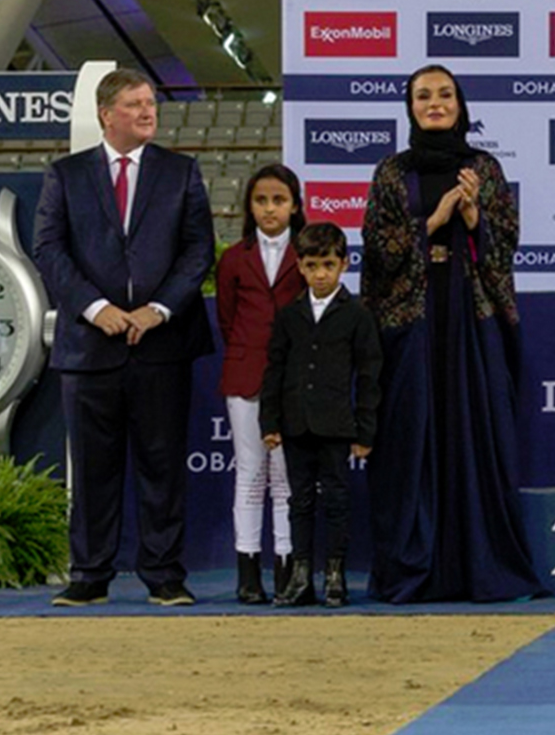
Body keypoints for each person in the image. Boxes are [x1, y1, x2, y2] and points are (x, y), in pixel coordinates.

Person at [361, 64, 546, 603]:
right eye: (424, 96)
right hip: (411, 325)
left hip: (471, 318)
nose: (435, 103)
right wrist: (433, 221)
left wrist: (472, 219)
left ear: (460, 104)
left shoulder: (482, 168)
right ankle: (415, 568)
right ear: (410, 106)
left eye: (445, 94)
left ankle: (481, 566)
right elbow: (377, 248)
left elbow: (506, 243)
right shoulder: (392, 172)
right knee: (411, 439)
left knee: (475, 434)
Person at [34, 68, 216, 607]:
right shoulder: (64, 175)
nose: (147, 111)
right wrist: (97, 308)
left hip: (163, 346)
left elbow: (197, 250)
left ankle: (164, 576)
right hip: (89, 349)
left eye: (150, 102)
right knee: (92, 471)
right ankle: (89, 577)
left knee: (162, 465)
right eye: (135, 104)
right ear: (106, 114)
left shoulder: (181, 172)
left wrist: (157, 310)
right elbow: (50, 250)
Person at [261, 222, 381, 608]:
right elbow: (274, 369)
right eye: (312, 265)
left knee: (337, 499)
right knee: (299, 501)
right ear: (300, 266)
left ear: (344, 264)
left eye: (328, 264)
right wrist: (270, 421)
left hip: (336, 424)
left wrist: (365, 431)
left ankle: (335, 574)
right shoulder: (289, 314)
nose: (320, 274)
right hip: (296, 423)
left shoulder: (357, 315)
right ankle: (300, 576)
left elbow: (368, 375)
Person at [214, 164, 307, 605]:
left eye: (279, 200)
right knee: (251, 472)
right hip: (245, 374)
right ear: (250, 207)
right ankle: (248, 569)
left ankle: (288, 566)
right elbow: (228, 319)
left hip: (294, 379)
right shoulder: (233, 257)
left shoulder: (308, 254)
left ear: (294, 205)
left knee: (287, 475)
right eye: (261, 201)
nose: (270, 209)